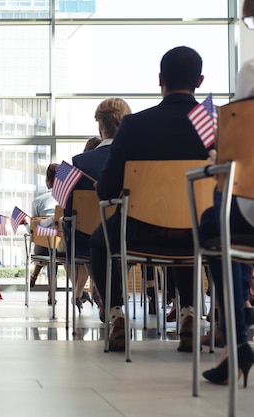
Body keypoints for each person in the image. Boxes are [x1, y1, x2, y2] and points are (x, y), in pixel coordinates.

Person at [89, 46, 208, 352]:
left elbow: (108, 188)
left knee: (99, 240)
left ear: (160, 79)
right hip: (200, 232)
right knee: (188, 224)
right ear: (200, 81)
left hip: (138, 231)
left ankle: (115, 314)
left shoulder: (135, 125)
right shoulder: (213, 123)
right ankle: (192, 314)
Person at [198, 0, 254, 385]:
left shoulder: (251, 71)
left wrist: (219, 154)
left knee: (215, 218)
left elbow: (241, 151)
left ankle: (235, 342)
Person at [63, 98, 132, 315]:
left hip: (87, 240)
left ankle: (103, 290)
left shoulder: (79, 162)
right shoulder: (138, 160)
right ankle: (112, 293)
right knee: (120, 244)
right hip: (132, 237)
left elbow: (68, 208)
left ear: (100, 127)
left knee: (94, 237)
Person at [29, 162, 59, 299]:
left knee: (47, 242)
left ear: (47, 180)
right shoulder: (66, 201)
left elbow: (34, 228)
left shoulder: (37, 201)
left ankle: (34, 276)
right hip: (62, 247)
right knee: (55, 247)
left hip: (42, 247)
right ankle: (51, 293)